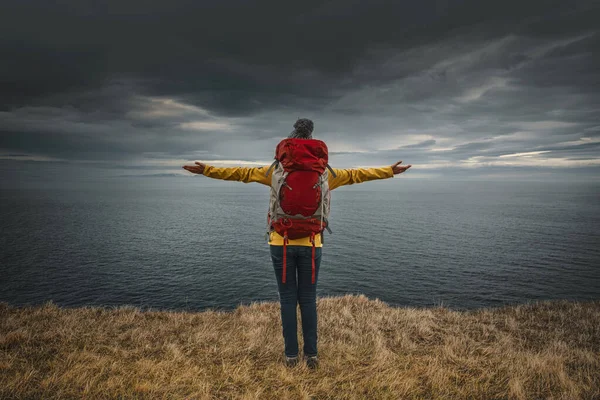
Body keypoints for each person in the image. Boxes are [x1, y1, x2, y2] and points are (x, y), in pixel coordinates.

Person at [183, 118, 411, 369]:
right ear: (314, 140)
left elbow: (241, 173)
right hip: (312, 243)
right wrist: (389, 171)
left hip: (280, 242)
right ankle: (311, 356)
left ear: (290, 140)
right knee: (309, 299)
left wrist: (207, 170)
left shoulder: (275, 171)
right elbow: (357, 175)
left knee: (288, 299)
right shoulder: (326, 173)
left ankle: (291, 356)